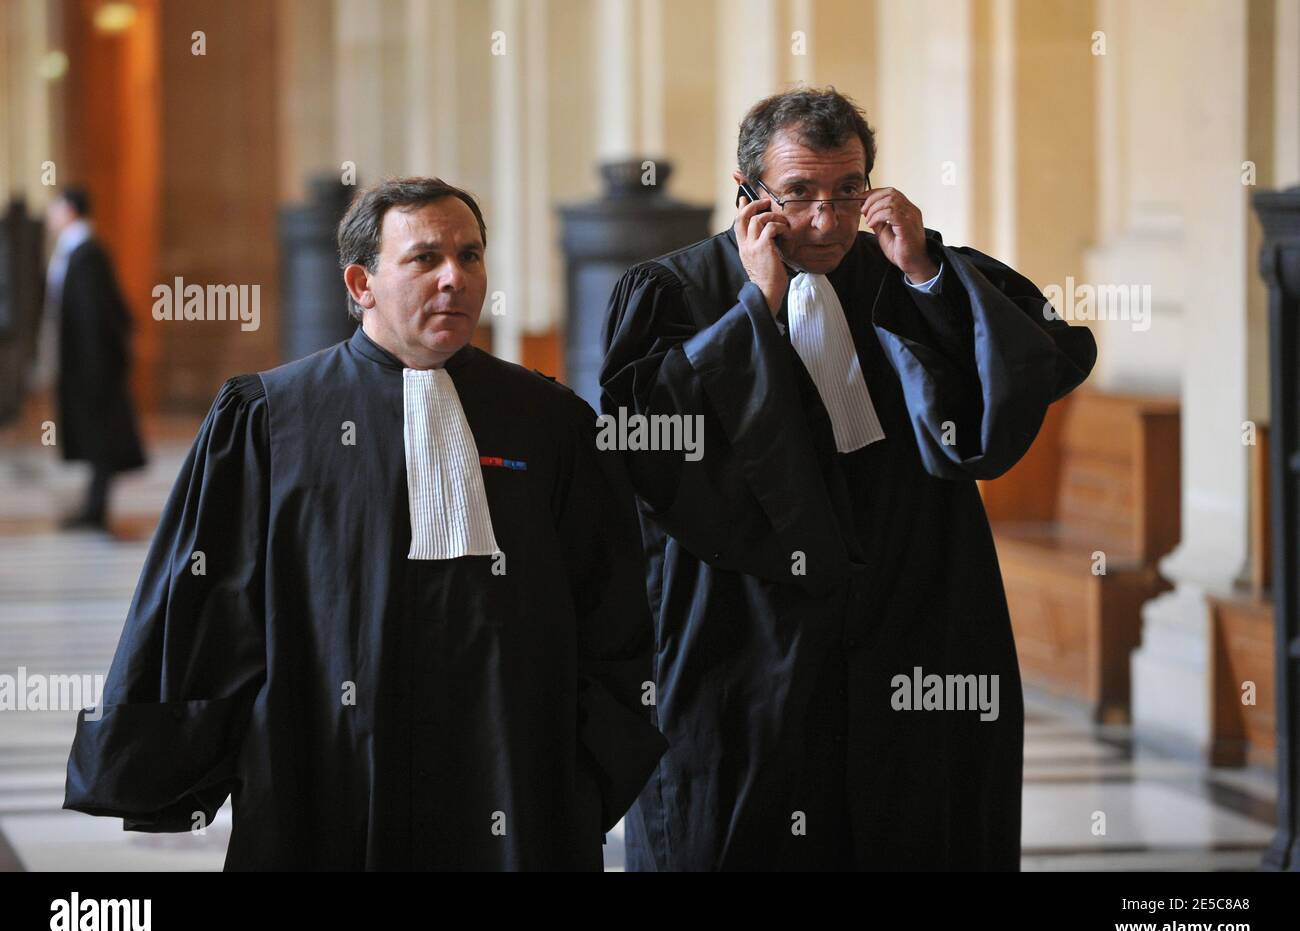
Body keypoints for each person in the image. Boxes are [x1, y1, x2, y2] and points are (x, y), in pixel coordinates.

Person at [64, 176, 667, 870]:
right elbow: (205, 608)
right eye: (425, 259)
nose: (455, 279)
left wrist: (583, 770)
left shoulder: (550, 421)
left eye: (470, 257)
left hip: (515, 784)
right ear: (361, 282)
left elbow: (615, 607)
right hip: (323, 775)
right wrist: (183, 754)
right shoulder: (269, 419)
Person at [601, 87, 1098, 870]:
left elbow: (1041, 359)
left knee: (907, 809)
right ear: (748, 192)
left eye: (849, 189)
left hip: (909, 593)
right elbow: (645, 444)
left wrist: (928, 273)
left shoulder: (902, 267)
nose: (828, 221)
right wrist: (752, 312)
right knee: (745, 816)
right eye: (798, 194)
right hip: (745, 616)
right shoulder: (673, 290)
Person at [43, 187, 146, 530]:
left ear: (70, 210)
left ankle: (95, 508)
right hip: (87, 364)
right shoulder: (77, 252)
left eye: (55, 208)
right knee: (98, 434)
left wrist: (94, 368)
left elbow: (95, 317)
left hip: (91, 366)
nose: (50, 215)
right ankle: (93, 505)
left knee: (101, 433)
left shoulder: (87, 255)